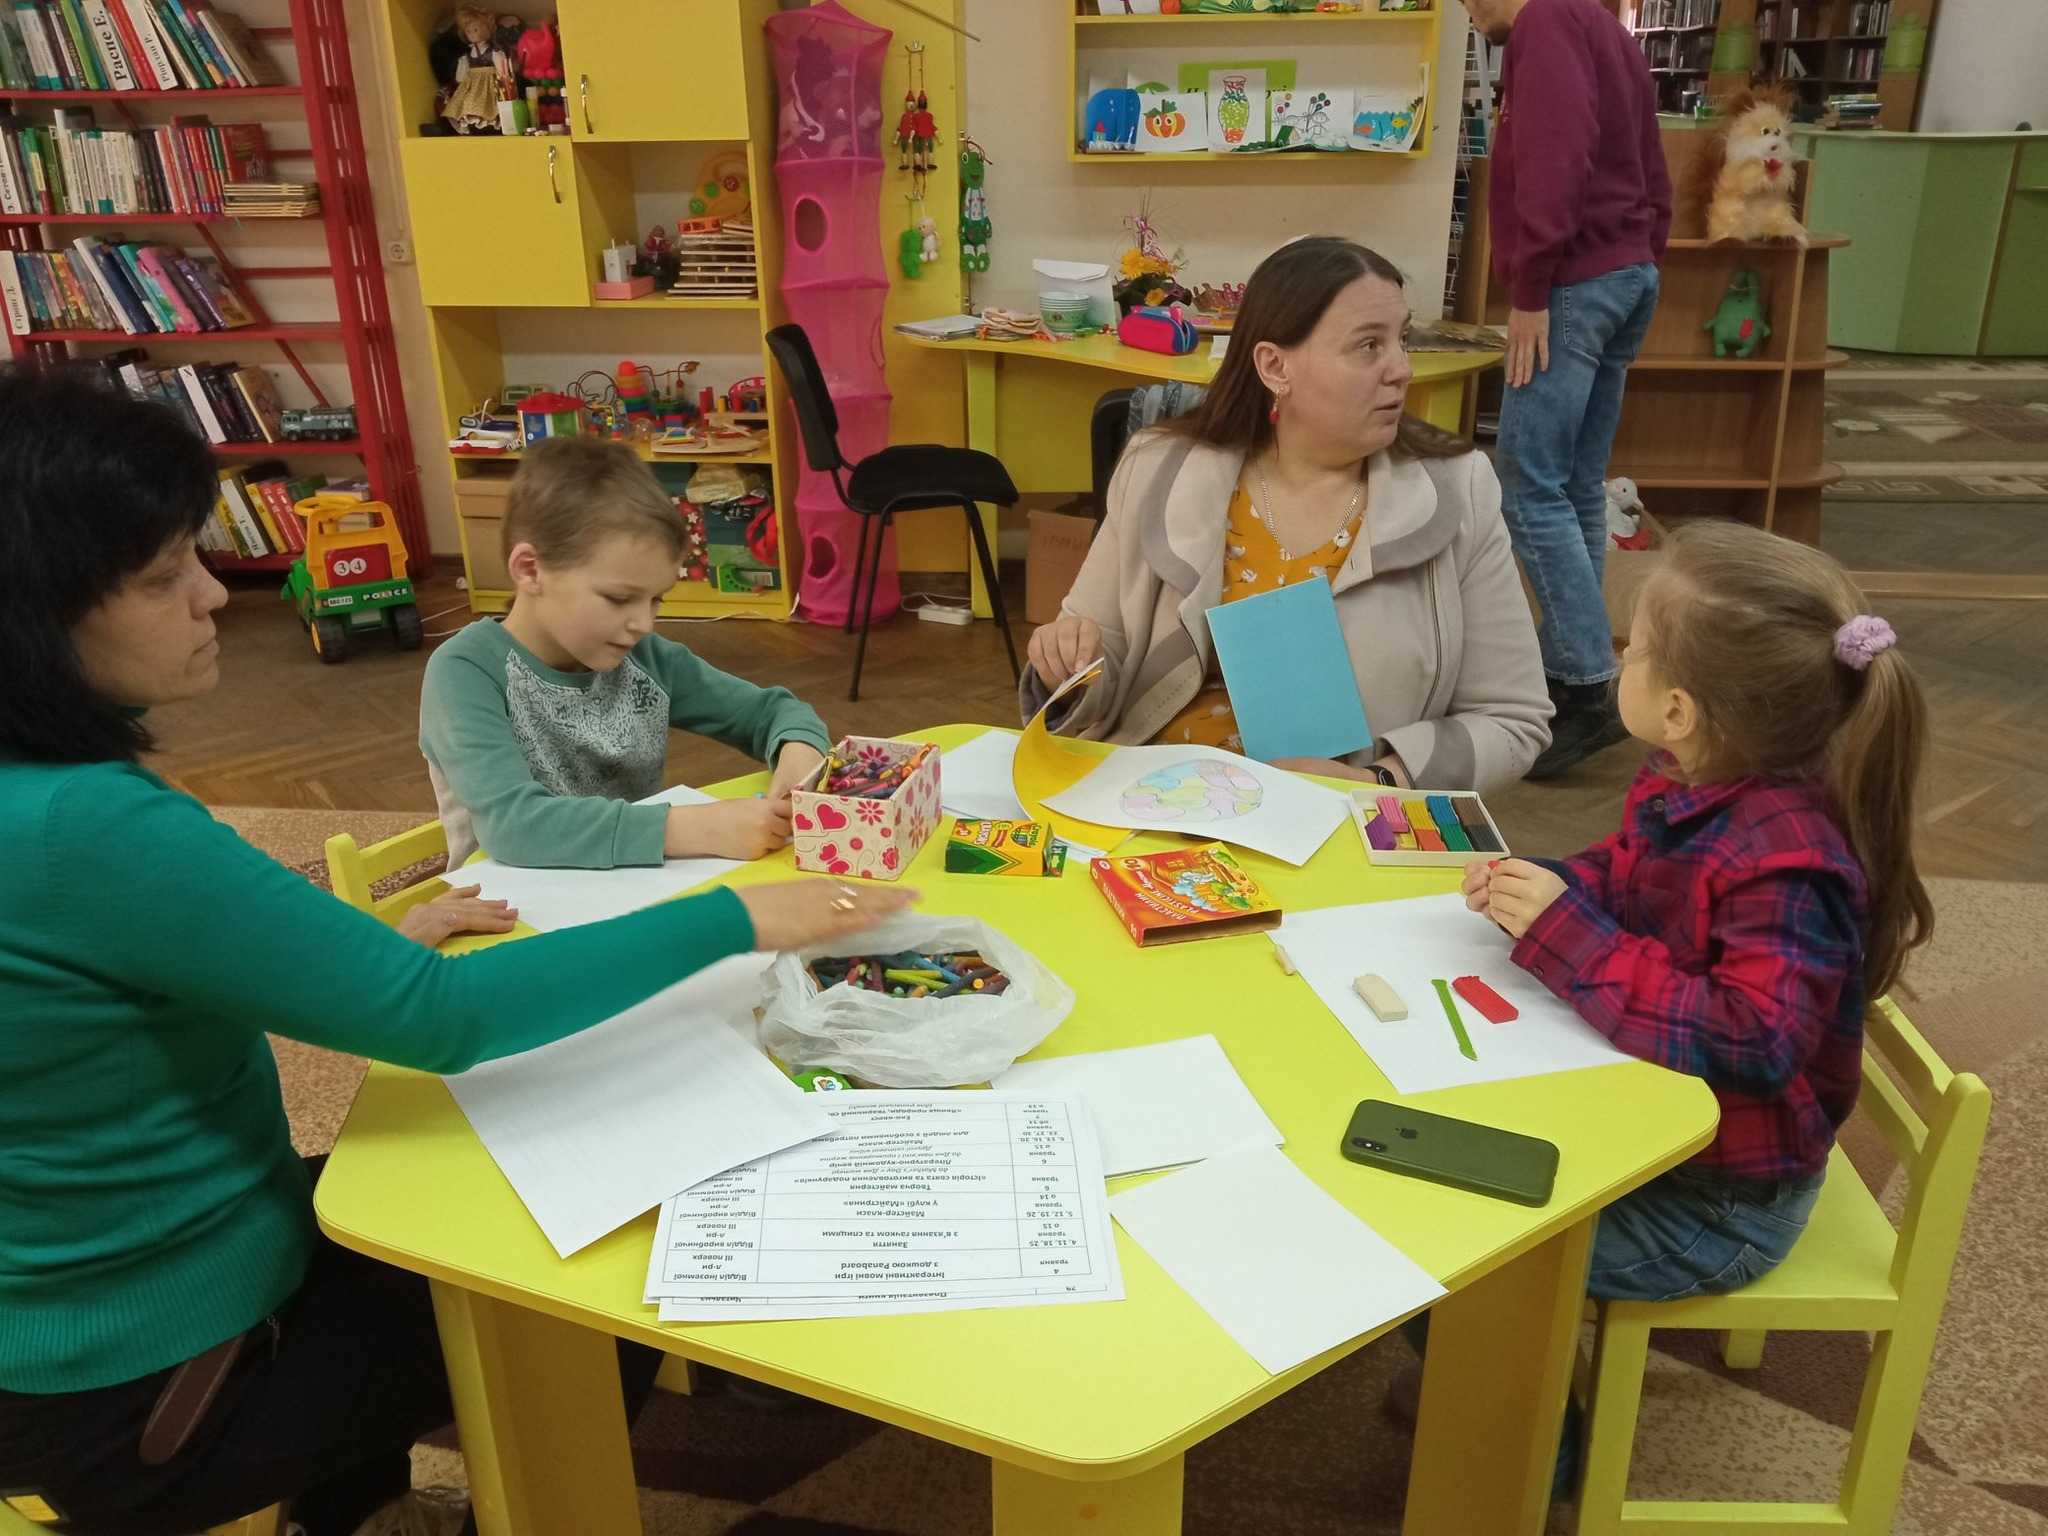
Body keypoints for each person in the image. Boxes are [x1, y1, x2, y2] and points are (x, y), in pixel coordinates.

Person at [0, 366, 914, 1536]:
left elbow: (135, 971)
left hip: (95, 1318)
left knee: (471, 1185)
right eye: (163, 575)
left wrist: (363, 941)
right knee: (593, 1292)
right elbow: (445, 1017)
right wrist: (742, 918)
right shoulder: (88, 826)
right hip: (147, 1384)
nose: (215, 596)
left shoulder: (53, 807)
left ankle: (352, 1508)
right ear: (37, 612)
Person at [1470, 520, 1928, 1318]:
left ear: (1678, 708)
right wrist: (1551, 887)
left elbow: (1751, 1039)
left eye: (1635, 650)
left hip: (1717, 1209)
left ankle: (1518, 1398)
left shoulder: (1789, 861)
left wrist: (1568, 933)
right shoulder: (1692, 774)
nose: (1622, 658)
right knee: (1468, 1147)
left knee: (1473, 1251)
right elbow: (1631, 874)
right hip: (1668, 1137)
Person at [1024, 237, 1551, 793]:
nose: (1401, 369)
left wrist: (1378, 780)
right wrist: (1067, 663)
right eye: (1368, 345)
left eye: (1402, 339)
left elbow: (1512, 721)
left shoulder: (1457, 491)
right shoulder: (1159, 469)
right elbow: (1095, 646)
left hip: (1337, 817)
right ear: (1274, 366)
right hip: (1154, 800)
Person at [420, 436, 831, 870]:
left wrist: (799, 751)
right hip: (502, 903)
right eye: (619, 599)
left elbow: (774, 713)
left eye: (656, 600)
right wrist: (692, 829)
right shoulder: (465, 671)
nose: (643, 624)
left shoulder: (645, 657)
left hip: (632, 889)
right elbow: (515, 826)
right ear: (530, 569)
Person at [1461, 0, 1672, 778]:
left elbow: (1557, 162)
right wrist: (1642, 256)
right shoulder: (1604, 25)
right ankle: (1569, 667)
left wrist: (1531, 291)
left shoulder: (1545, 24)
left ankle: (1585, 684)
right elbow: (1652, 169)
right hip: (1625, 273)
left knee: (1527, 487)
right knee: (1579, 485)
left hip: (1574, 285)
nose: (1466, 10)